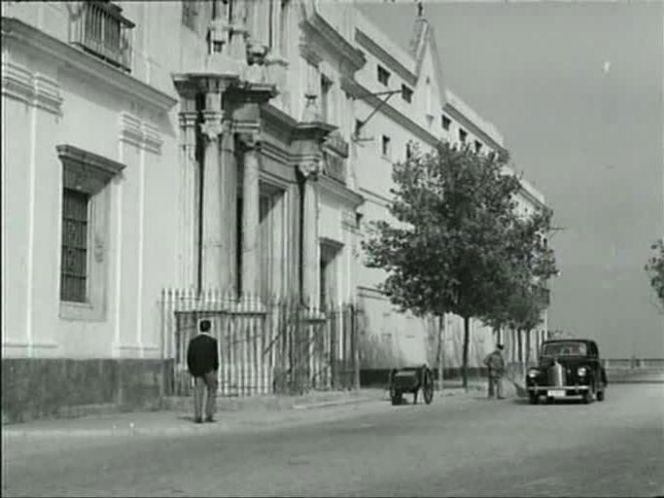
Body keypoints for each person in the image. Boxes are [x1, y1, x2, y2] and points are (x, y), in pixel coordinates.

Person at [186, 318, 219, 423]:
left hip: (197, 370)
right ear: (209, 328)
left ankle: (198, 416)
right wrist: (215, 369)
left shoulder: (193, 341)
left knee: (198, 393)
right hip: (209, 370)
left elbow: (189, 357)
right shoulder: (212, 341)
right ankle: (209, 414)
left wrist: (191, 369)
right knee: (212, 390)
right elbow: (215, 358)